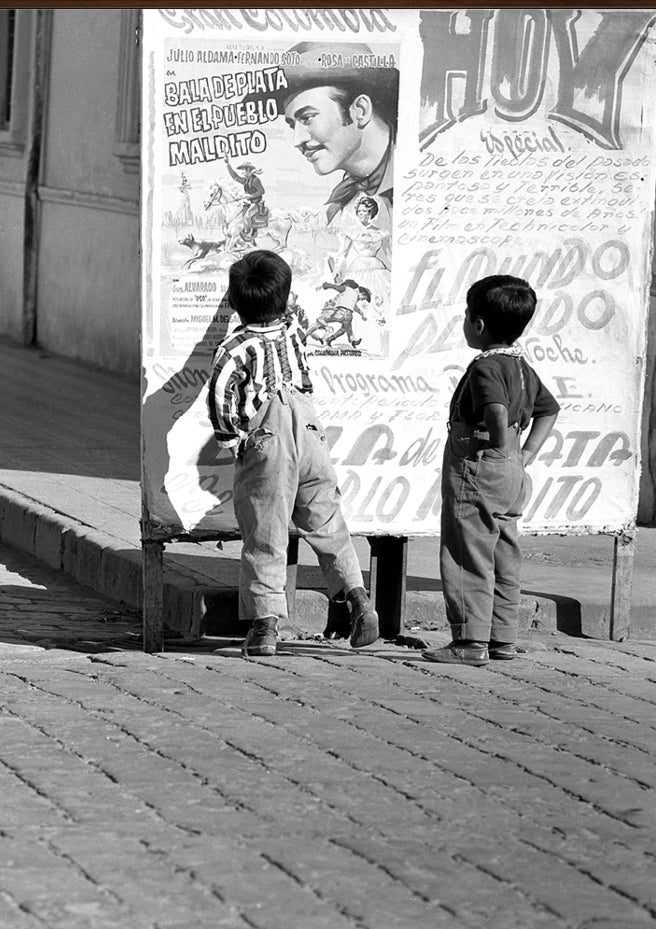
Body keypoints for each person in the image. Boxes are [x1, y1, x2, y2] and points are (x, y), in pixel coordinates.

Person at [206, 249, 379, 657]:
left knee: (265, 532)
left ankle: (265, 628)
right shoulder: (294, 332)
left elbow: (220, 397)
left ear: (233, 302)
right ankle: (357, 599)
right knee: (328, 522)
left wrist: (233, 440)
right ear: (285, 301)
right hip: (310, 432)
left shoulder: (234, 348)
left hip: (267, 442)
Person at [422, 275, 560, 666]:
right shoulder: (521, 367)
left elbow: (495, 410)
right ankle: (502, 638)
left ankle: (469, 641)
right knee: (503, 552)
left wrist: (497, 441)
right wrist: (524, 452)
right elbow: (549, 409)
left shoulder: (486, 368)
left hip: (478, 465)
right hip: (512, 470)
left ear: (478, 324)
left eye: (467, 316)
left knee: (468, 551)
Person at [256, 42, 399, 228]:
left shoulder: (412, 178)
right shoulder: (346, 196)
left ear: (360, 111)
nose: (297, 141)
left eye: (307, 118)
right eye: (292, 125)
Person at [313, 279, 371, 348]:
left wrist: (323, 286)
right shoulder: (348, 291)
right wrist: (323, 285)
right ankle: (332, 339)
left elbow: (355, 307)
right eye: (364, 298)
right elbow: (334, 286)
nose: (362, 300)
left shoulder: (353, 295)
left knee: (345, 326)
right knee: (345, 327)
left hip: (342, 313)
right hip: (342, 313)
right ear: (363, 293)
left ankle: (351, 340)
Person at [224, 159, 267, 248]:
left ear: (248, 170)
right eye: (242, 170)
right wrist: (228, 165)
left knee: (247, 216)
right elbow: (235, 177)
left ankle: (248, 235)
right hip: (249, 203)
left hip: (257, 203)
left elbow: (262, 191)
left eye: (243, 170)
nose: (242, 172)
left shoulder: (255, 180)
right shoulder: (246, 180)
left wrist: (250, 196)